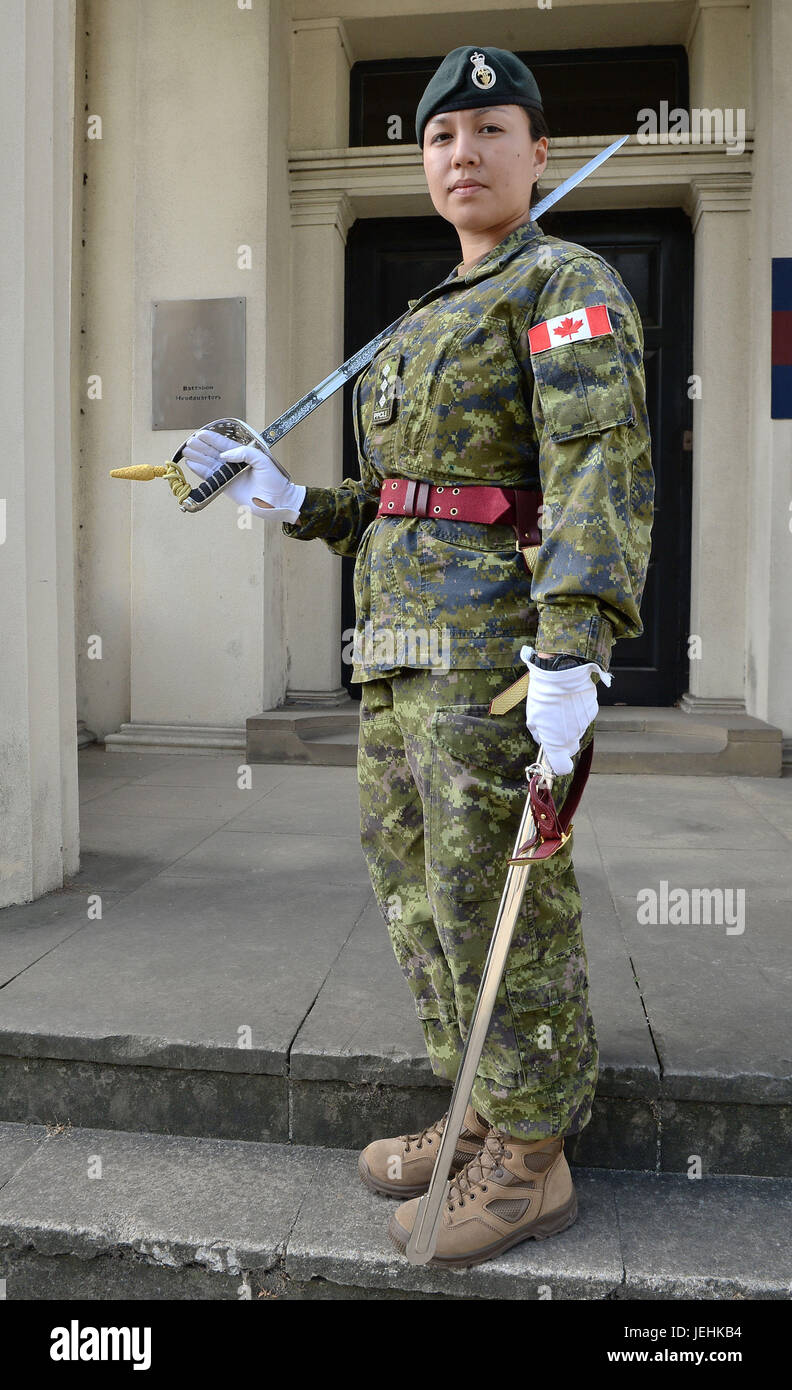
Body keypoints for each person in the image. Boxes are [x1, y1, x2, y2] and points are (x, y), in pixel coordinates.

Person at [183, 45, 654, 1271]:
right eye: (443, 138)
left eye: (491, 131)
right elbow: (410, 499)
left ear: (537, 153)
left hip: (494, 658)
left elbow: (599, 472)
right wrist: (292, 498)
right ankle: (483, 1107)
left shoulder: (563, 283)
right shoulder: (427, 315)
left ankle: (531, 1162)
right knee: (417, 895)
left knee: (502, 895)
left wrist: (574, 647)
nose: (464, 155)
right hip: (395, 652)